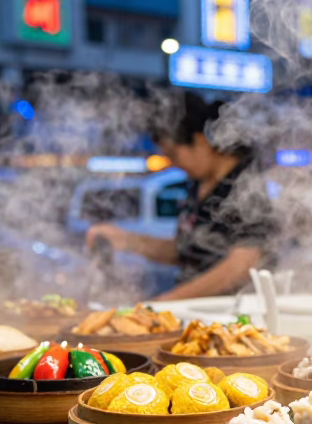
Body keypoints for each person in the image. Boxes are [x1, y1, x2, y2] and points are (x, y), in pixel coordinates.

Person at [85, 93, 276, 300]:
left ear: (200, 141)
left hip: (233, 316)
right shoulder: (196, 184)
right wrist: (125, 239)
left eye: (173, 155)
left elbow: (241, 265)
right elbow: (186, 251)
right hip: (195, 312)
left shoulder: (246, 185)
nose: (173, 164)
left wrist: (165, 303)